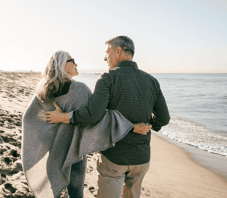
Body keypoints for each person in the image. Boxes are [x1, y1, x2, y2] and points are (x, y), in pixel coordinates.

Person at [46, 36, 170, 198]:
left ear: (118, 52)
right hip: (141, 158)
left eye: (107, 53)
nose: (105, 57)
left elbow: (92, 115)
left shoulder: (108, 78)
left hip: (114, 158)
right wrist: (147, 125)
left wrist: (62, 117)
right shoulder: (152, 81)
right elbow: (164, 118)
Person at [22, 50, 152, 198]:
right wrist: (133, 127)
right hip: (74, 152)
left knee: (53, 192)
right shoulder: (79, 90)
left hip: (53, 152)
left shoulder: (44, 90)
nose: (76, 63)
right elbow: (99, 118)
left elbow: (29, 119)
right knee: (76, 193)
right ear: (62, 65)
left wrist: (47, 135)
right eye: (72, 60)